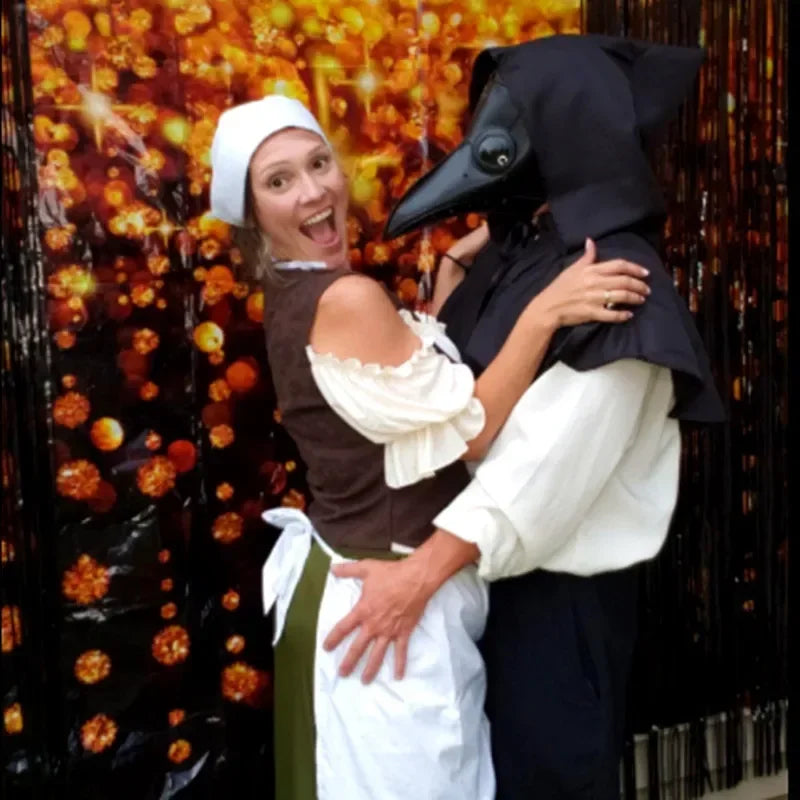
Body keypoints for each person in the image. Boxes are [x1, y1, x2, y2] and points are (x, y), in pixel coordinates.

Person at [208, 92, 652, 800]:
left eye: (319, 163)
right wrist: (546, 310)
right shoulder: (346, 298)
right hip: (385, 610)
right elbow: (468, 427)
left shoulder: (299, 290)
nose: (314, 190)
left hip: (359, 589)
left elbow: (396, 406)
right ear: (251, 213)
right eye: (279, 180)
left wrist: (445, 292)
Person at [326, 35, 726, 799]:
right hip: (492, 591)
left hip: (557, 608)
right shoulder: (529, 255)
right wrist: (465, 254)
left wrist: (415, 580)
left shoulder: (616, 284)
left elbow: (536, 477)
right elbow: (451, 390)